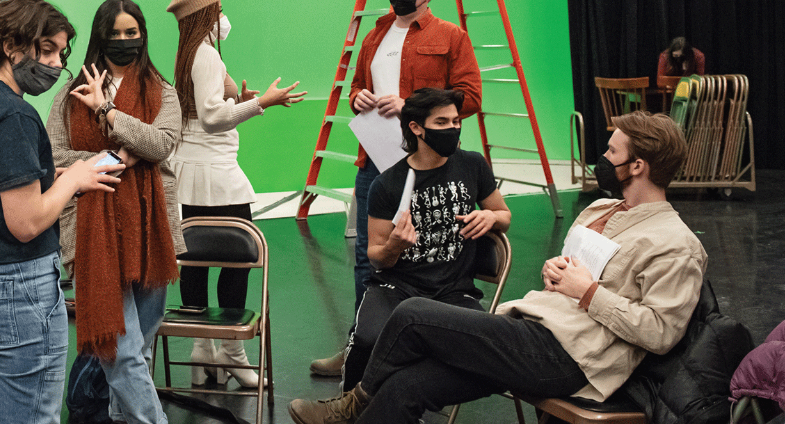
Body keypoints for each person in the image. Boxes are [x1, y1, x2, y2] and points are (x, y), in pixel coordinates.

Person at [290, 111, 706, 424]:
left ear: (637, 166)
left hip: (567, 358)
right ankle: (358, 407)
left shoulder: (676, 244)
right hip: (530, 330)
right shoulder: (600, 208)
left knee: (413, 315)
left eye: (612, 152)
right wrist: (557, 273)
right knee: (406, 387)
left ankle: (350, 406)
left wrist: (589, 292)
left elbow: (661, 333)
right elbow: (572, 275)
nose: (601, 157)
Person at [0, 0, 125, 424]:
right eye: (46, 50)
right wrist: (76, 178)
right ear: (11, 46)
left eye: (61, 53)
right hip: (15, 291)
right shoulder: (16, 116)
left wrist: (53, 177)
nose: (57, 63)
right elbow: (25, 223)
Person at [288, 88, 510, 423]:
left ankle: (393, 408)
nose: (453, 129)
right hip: (398, 287)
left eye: (456, 121)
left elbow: (503, 213)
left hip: (455, 291)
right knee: (366, 337)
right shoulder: (388, 184)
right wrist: (395, 246)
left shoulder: (473, 165)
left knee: (480, 348)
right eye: (442, 122)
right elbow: (376, 256)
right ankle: (348, 410)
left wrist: (492, 217)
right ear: (417, 128)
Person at [311, 0, 483, 377]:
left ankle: (412, 348)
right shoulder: (376, 33)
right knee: (367, 258)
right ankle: (360, 347)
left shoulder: (451, 36)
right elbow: (356, 85)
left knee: (423, 256)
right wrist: (358, 98)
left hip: (427, 165)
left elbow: (471, 96)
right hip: (375, 162)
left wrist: (412, 104)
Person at [47, 0, 185, 424]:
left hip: (150, 230)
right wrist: (112, 156)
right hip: (91, 230)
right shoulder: (71, 94)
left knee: (139, 348)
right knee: (120, 351)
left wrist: (106, 110)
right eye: (116, 33)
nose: (125, 41)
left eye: (133, 32)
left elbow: (161, 143)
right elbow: (54, 153)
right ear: (100, 36)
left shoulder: (163, 90)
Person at [166, 0, 307, 388]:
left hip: (191, 174)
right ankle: (233, 351)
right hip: (216, 175)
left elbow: (202, 113)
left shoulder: (187, 54)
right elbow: (211, 118)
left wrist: (236, 102)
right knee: (237, 260)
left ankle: (202, 349)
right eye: (219, 8)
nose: (224, 16)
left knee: (192, 262)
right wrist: (263, 101)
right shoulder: (207, 55)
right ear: (205, 14)